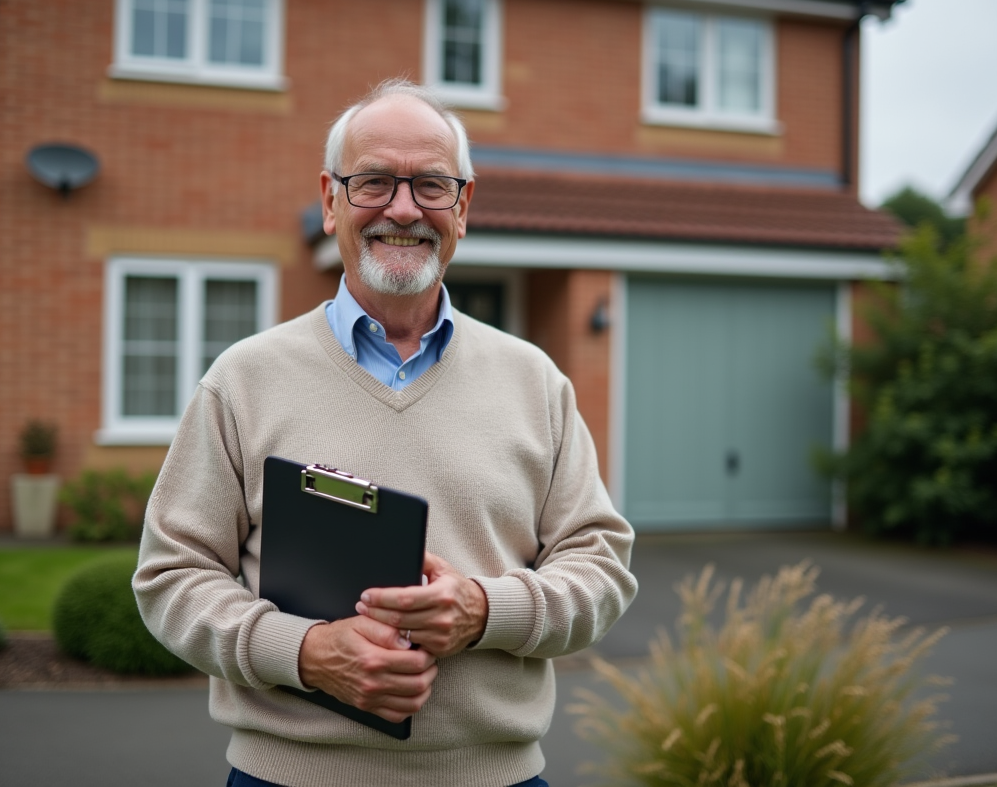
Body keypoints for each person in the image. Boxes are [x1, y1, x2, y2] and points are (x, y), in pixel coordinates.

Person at [133, 78, 638, 787]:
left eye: (431, 184)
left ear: (462, 208)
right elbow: (169, 577)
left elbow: (602, 569)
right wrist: (305, 652)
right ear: (330, 198)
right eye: (373, 181)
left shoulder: (536, 383)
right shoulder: (243, 380)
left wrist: (485, 610)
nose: (403, 209)